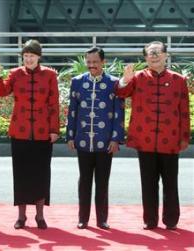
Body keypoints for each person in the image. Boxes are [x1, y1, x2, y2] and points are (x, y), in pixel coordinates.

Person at [116, 41, 191, 230]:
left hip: (171, 139)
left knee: (170, 183)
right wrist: (125, 79)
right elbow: (121, 93)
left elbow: (184, 111)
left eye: (158, 52)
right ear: (145, 58)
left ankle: (171, 220)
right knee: (148, 183)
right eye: (151, 53)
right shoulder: (138, 78)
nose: (154, 56)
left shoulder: (179, 80)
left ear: (166, 55)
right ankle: (150, 220)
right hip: (145, 140)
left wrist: (184, 137)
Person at [0, 40, 59, 230]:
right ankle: (21, 217)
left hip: (43, 132)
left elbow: (53, 103)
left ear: (39, 57)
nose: (28, 59)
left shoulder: (50, 75)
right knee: (21, 175)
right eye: (26, 56)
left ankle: (40, 216)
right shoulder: (15, 74)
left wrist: (54, 130)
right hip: (20, 132)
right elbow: (0, 91)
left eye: (32, 56)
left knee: (41, 174)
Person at [66, 47, 125, 230]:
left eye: (95, 62)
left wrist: (116, 139)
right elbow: (72, 111)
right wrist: (70, 135)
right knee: (84, 181)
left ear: (103, 62)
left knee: (102, 181)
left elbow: (119, 113)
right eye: (89, 62)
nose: (91, 65)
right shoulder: (77, 82)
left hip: (105, 141)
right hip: (83, 140)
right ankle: (83, 218)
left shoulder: (114, 83)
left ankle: (102, 219)